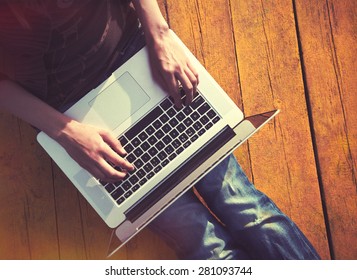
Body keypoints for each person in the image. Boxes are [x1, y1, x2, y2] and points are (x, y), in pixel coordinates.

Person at [0, 0, 320, 259]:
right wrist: (65, 132)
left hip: (141, 63)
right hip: (71, 119)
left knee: (247, 209)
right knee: (205, 246)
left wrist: (161, 33)